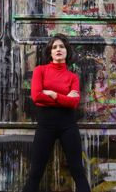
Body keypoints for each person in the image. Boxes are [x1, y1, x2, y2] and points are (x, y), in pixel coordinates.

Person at [23, 34, 91, 192]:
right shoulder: (40, 70)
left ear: (67, 51)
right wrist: (64, 98)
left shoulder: (73, 77)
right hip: (45, 125)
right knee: (35, 173)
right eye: (54, 47)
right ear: (50, 52)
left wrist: (53, 95)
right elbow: (36, 96)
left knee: (77, 171)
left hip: (68, 125)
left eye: (61, 47)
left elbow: (74, 102)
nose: (58, 49)